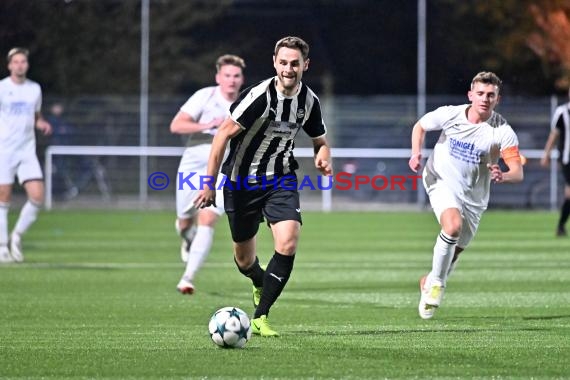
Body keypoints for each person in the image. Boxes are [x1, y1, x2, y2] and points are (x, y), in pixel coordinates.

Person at [194, 36, 332, 337]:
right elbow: (221, 136)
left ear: (305, 65)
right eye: (283, 62)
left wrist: (323, 157)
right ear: (274, 62)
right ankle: (258, 279)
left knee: (288, 241)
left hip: (280, 179)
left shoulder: (309, 102)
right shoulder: (259, 96)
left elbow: (320, 141)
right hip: (241, 183)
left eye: (295, 63)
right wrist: (208, 184)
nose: (288, 68)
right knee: (244, 261)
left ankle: (260, 316)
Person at [409, 71, 524, 320]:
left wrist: (503, 175)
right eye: (480, 93)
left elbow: (517, 171)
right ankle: (437, 284)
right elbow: (420, 126)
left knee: (454, 252)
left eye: (490, 95)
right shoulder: (450, 114)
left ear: (497, 99)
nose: (484, 98)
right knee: (452, 227)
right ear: (470, 95)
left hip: (474, 197)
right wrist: (415, 153)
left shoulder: (502, 130)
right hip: (439, 179)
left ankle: (428, 280)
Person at [171, 54, 246, 295]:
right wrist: (208, 126)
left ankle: (187, 278)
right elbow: (177, 125)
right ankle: (186, 235)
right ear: (218, 78)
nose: (231, 80)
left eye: (236, 76)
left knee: (208, 218)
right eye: (227, 76)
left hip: (223, 174)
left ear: (242, 79)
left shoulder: (246, 103)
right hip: (192, 170)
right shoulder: (205, 96)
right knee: (185, 220)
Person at [0, 47, 52, 263]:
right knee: (3, 196)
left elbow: (35, 116)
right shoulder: (2, 88)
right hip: (5, 149)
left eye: (23, 62)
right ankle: (2, 245)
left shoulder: (34, 89)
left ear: (27, 65)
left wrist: (41, 123)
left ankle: (17, 236)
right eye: (16, 62)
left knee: (38, 196)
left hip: (26, 150)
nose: (20, 65)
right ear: (10, 65)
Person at [540, 87, 570, 237]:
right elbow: (554, 135)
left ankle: (561, 226)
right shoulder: (562, 112)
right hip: (567, 159)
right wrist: (546, 154)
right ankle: (560, 226)